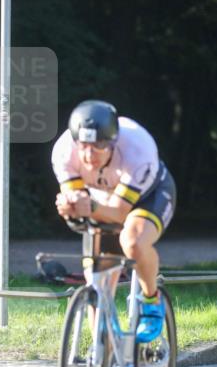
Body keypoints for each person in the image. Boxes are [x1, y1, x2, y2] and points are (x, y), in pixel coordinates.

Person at [52, 100, 176, 344]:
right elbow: (78, 200)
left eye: (98, 147)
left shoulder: (138, 148)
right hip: (101, 200)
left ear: (112, 142)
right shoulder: (64, 151)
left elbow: (120, 214)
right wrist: (69, 206)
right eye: (84, 146)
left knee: (132, 242)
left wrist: (91, 207)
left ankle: (152, 301)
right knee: (97, 283)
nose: (89, 156)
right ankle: (105, 366)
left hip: (148, 197)